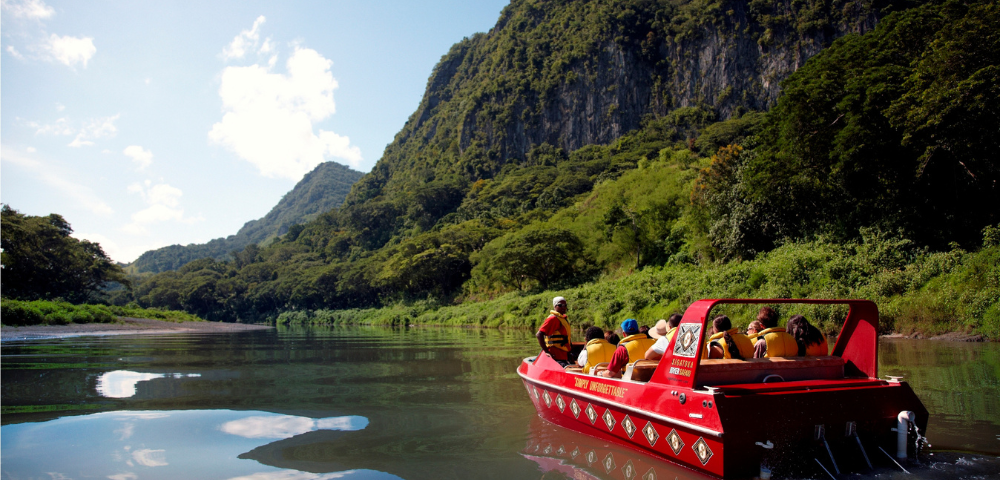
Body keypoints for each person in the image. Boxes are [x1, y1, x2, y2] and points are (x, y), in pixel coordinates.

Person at [536, 296, 572, 366]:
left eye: (565, 305)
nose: (563, 307)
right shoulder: (553, 319)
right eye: (560, 305)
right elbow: (539, 334)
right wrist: (546, 351)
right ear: (555, 306)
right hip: (555, 356)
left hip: (564, 354)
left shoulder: (563, 318)